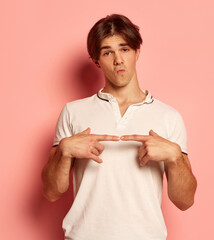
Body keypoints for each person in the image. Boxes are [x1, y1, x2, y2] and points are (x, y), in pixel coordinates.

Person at [41, 14, 197, 240]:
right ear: (97, 61)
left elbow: (185, 201)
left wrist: (174, 156)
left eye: (124, 49)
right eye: (107, 52)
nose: (118, 60)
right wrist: (64, 151)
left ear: (137, 52)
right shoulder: (73, 112)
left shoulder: (168, 116)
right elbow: (51, 192)